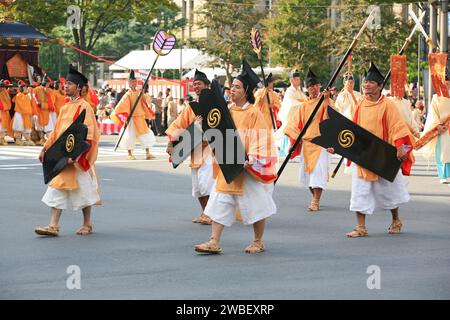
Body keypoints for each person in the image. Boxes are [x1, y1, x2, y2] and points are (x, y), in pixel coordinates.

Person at [194, 60, 277, 255]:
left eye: (237, 87)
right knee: (218, 201)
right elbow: (217, 133)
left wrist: (253, 159)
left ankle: (258, 241)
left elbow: (262, 138)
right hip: (228, 163)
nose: (232, 90)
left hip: (247, 168)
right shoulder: (227, 111)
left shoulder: (254, 113)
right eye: (232, 87)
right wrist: (203, 126)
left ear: (246, 90)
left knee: (257, 206)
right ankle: (214, 241)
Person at [331, 62, 412, 238]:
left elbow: (397, 126)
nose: (366, 85)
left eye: (371, 83)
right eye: (365, 82)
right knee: (360, 191)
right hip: (363, 155)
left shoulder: (388, 105)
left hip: (383, 154)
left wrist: (399, 147)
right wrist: (337, 146)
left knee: (390, 192)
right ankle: (361, 227)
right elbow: (351, 130)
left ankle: (396, 219)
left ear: (380, 86)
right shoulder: (360, 105)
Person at [34, 65, 101, 237]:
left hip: (78, 158)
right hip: (63, 156)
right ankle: (53, 225)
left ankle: (87, 223)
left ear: (79, 87)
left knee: (84, 191)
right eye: (65, 83)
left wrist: (77, 155)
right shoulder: (64, 107)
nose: (65, 86)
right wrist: (45, 149)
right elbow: (57, 132)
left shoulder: (85, 107)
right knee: (57, 187)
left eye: (70, 84)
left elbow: (88, 134)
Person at [166, 69, 215, 225]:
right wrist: (171, 142)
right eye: (194, 84)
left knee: (207, 184)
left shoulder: (216, 104)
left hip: (211, 149)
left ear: (207, 86)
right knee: (198, 187)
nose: (196, 87)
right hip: (194, 148)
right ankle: (205, 212)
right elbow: (179, 124)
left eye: (199, 84)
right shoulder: (191, 107)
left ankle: (212, 214)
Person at [284, 68, 335, 212]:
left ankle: (315, 200)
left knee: (318, 173)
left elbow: (333, 117)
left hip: (321, 142)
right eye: (310, 86)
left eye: (315, 85)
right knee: (308, 177)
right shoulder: (303, 106)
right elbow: (294, 125)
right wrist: (293, 143)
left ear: (319, 86)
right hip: (307, 143)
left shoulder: (326, 101)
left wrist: (326, 101)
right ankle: (315, 196)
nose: (312, 88)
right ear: (307, 88)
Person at [110, 70, 156, 160]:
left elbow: (147, 101)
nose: (134, 83)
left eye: (135, 82)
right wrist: (126, 116)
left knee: (145, 134)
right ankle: (130, 154)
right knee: (129, 136)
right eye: (132, 82)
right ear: (129, 84)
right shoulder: (128, 94)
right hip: (131, 117)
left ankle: (147, 153)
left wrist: (143, 94)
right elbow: (121, 105)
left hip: (140, 116)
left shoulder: (139, 92)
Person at [422, 71, 450, 185]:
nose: (447, 86)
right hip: (442, 129)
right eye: (445, 84)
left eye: (449, 84)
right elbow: (433, 114)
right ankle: (442, 175)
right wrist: (437, 125)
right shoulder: (436, 98)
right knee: (442, 152)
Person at [275, 70, 307, 156]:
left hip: (299, 115)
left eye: (299, 79)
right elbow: (291, 103)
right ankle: (288, 149)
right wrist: (303, 103)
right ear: (291, 80)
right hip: (291, 116)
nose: (298, 81)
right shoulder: (289, 91)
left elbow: (305, 99)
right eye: (296, 79)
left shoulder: (299, 91)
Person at [11, 80, 36, 146]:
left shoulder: (27, 95)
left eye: (26, 87)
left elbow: (32, 103)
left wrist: (30, 94)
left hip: (26, 115)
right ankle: (18, 140)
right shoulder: (19, 95)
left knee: (27, 128)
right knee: (19, 128)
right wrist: (29, 94)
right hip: (20, 114)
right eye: (24, 87)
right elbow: (23, 104)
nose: (26, 88)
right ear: (21, 88)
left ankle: (28, 140)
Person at [0, 80, 12, 145]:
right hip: (1, 111)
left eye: (3, 87)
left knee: (4, 125)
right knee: (1, 125)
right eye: (1, 87)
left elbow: (8, 101)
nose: (2, 88)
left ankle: (2, 139)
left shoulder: (5, 92)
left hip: (5, 111)